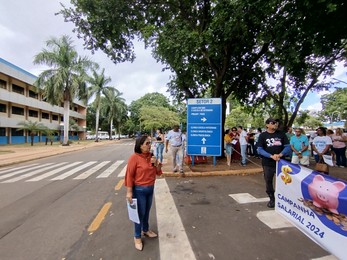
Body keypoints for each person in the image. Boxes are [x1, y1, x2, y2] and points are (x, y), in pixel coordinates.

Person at [125, 136, 163, 251]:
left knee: (146, 212)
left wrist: (156, 163)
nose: (149, 145)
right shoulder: (134, 158)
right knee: (139, 215)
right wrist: (129, 192)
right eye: (147, 143)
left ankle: (145, 230)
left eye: (150, 143)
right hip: (139, 190)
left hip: (150, 189)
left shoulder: (151, 157)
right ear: (140, 145)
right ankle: (137, 236)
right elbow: (129, 175)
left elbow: (159, 173)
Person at [257, 118, 291, 208]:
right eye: (273, 123)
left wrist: (280, 154)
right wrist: (271, 156)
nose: (275, 124)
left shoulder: (281, 134)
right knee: (268, 181)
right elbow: (260, 149)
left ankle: (284, 199)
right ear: (267, 125)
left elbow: (287, 147)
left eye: (276, 123)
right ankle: (272, 198)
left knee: (284, 181)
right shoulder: (263, 136)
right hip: (267, 163)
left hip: (281, 162)